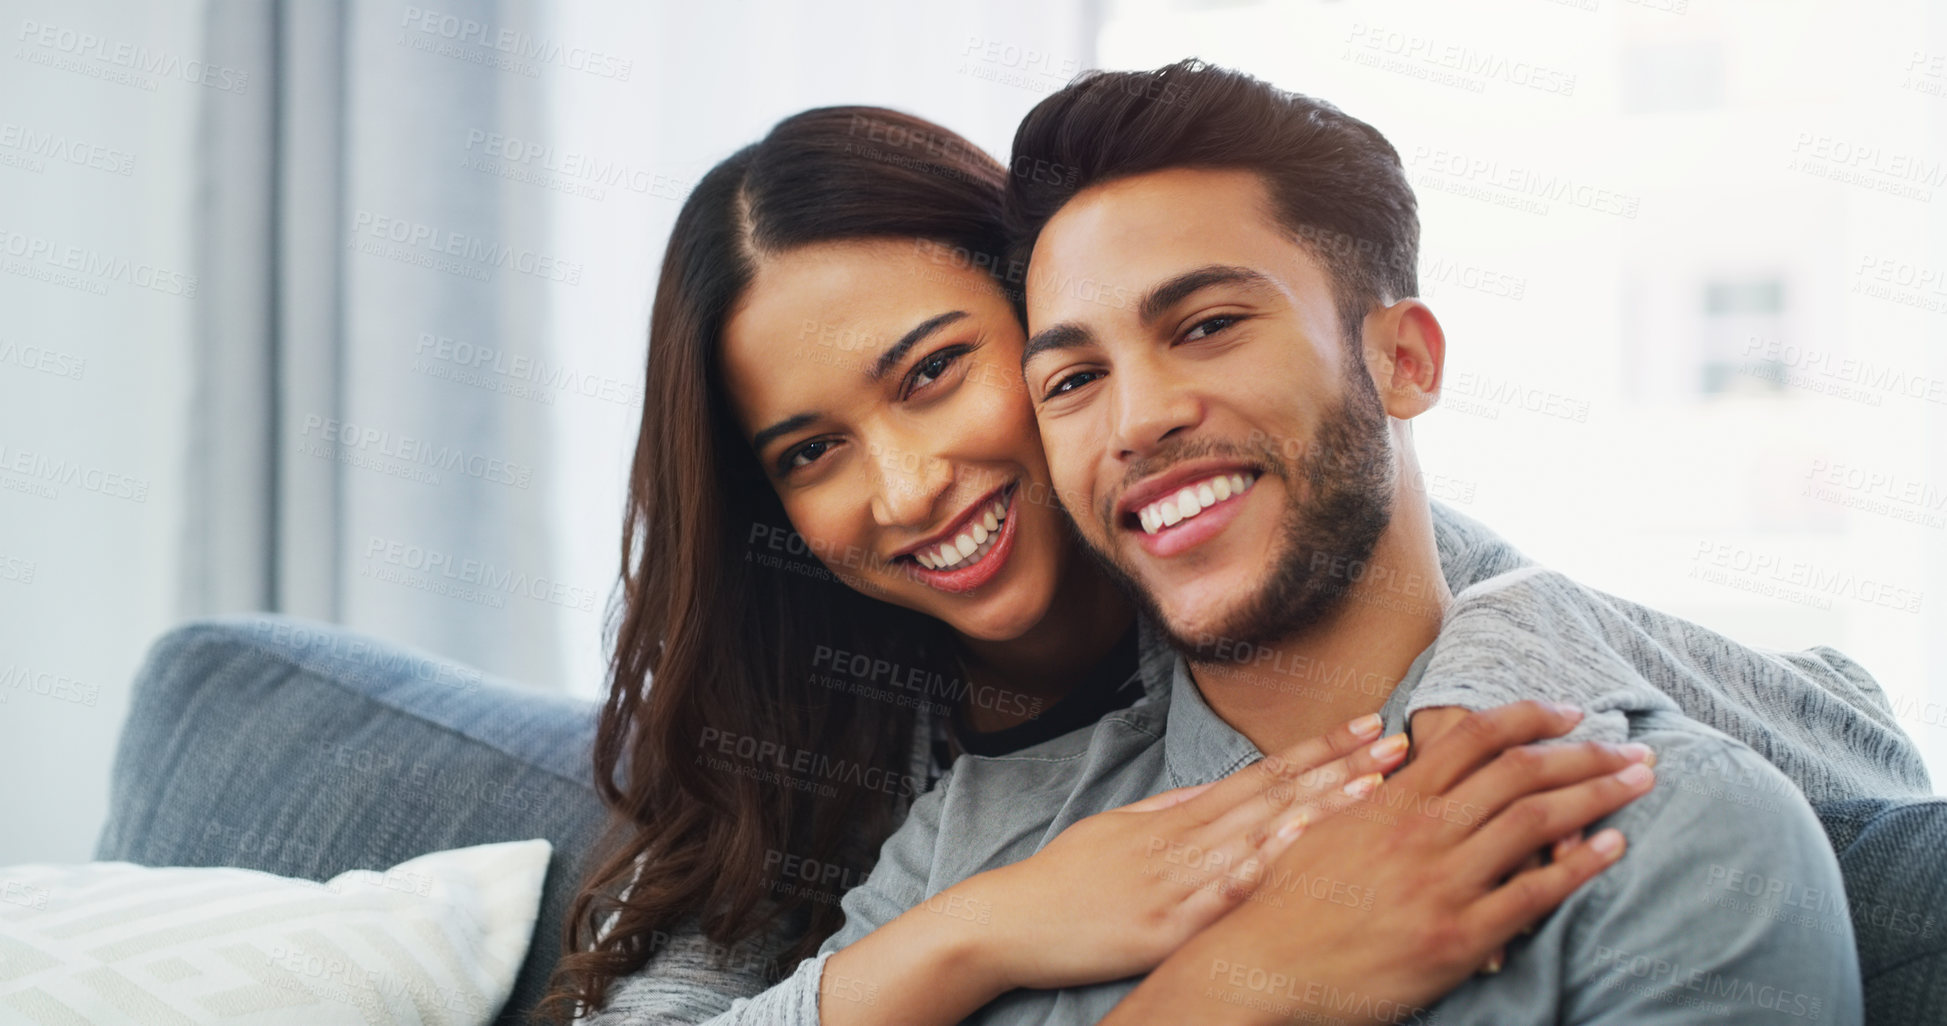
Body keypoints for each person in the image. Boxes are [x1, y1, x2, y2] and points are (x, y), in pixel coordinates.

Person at [540, 96, 1926, 1025]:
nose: (903, 484)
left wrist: (1458, 710)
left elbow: (1832, 753)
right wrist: (997, 941)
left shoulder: (1374, 576)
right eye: (809, 451)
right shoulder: (890, 771)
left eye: (937, 371)